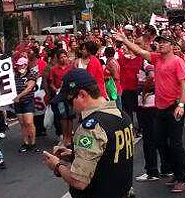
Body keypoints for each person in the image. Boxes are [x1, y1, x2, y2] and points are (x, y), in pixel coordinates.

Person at [115, 31, 185, 194]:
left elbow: (184, 83)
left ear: (171, 45)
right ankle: (175, 173)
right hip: (160, 108)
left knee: (176, 144)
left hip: (174, 106)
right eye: (159, 42)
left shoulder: (177, 62)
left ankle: (183, 178)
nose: (161, 44)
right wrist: (125, 40)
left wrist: (182, 104)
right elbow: (140, 51)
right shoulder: (156, 59)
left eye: (164, 42)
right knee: (160, 142)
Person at [42, 69, 134, 198]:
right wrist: (74, 154)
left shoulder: (91, 128)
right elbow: (110, 156)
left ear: (82, 95)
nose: (70, 107)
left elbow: (79, 181)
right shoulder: (122, 116)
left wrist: (57, 165)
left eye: (69, 101)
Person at [13, 57, 39, 152]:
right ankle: (25, 143)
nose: (20, 67)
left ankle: (33, 143)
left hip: (27, 101)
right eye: (19, 65)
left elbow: (29, 88)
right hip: (18, 103)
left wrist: (18, 96)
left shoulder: (31, 74)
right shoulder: (15, 75)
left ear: (26, 65)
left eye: (22, 65)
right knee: (22, 123)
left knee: (29, 122)